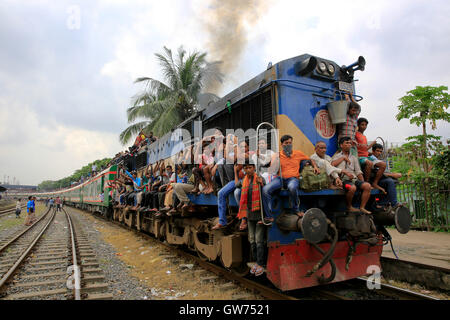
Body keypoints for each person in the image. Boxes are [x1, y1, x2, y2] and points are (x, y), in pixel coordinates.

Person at [262, 135, 320, 218]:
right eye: (286, 143)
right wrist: (275, 161)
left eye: (290, 143)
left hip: (293, 178)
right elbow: (271, 171)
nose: (288, 145)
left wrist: (315, 167)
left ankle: (296, 209)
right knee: (265, 189)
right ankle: (269, 216)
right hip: (280, 178)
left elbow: (310, 159)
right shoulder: (276, 155)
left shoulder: (298, 153)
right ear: (282, 144)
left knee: (292, 187)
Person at [236, 162, 266, 276]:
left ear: (254, 168)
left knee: (259, 241)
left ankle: (261, 263)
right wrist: (235, 172)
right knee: (252, 240)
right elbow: (236, 185)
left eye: (250, 168)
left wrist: (261, 183)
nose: (248, 170)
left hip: (258, 215)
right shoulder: (244, 181)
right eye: (246, 168)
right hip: (249, 215)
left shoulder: (259, 178)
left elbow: (264, 187)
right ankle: (255, 262)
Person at [331, 137, 372, 214]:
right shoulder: (337, 156)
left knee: (367, 186)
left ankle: (362, 207)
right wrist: (343, 158)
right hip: (343, 180)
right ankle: (349, 207)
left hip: (353, 179)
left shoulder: (353, 157)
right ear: (341, 145)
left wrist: (362, 182)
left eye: (350, 143)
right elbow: (332, 166)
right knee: (352, 188)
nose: (349, 145)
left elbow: (358, 171)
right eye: (347, 143)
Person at [356, 118, 386, 193]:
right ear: (358, 125)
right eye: (362, 125)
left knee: (383, 164)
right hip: (360, 157)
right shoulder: (356, 134)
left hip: (366, 156)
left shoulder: (364, 136)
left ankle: (375, 183)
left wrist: (370, 153)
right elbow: (364, 147)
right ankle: (367, 182)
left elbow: (365, 150)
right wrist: (372, 144)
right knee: (369, 163)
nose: (364, 126)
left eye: (365, 125)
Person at [370, 143, 403, 210]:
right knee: (390, 181)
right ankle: (394, 203)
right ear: (373, 151)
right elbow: (378, 173)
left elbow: (385, 172)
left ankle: (383, 202)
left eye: (380, 151)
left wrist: (394, 174)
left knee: (394, 181)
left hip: (381, 179)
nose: (379, 153)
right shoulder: (372, 159)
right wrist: (393, 175)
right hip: (374, 180)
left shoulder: (379, 160)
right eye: (377, 151)